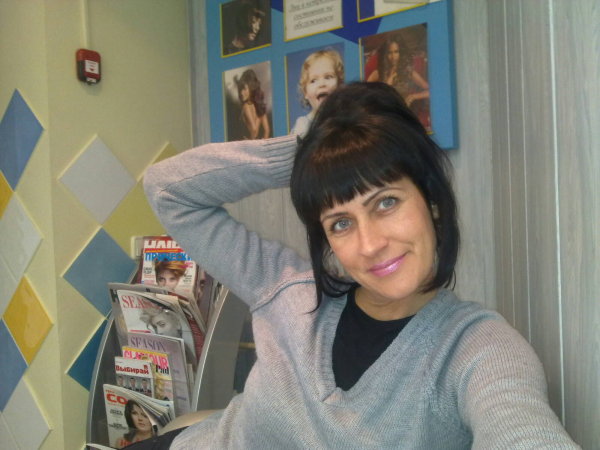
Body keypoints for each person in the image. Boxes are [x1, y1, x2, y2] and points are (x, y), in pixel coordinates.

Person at [142, 82, 579, 448]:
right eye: (341, 223)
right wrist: (309, 154)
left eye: (386, 202)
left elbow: (521, 428)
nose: (370, 245)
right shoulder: (285, 289)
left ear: (431, 202)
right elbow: (167, 190)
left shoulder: (474, 350)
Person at [367, 35, 431, 130]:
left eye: (396, 52)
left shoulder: (408, 72)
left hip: (404, 115)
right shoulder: (378, 73)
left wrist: (414, 96)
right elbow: (364, 94)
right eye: (389, 53)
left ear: (401, 53)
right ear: (385, 54)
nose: (393, 57)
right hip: (385, 116)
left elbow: (432, 91)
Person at [291, 48, 344, 137]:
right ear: (305, 93)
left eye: (328, 77)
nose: (322, 84)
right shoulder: (303, 125)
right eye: (313, 80)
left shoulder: (347, 119)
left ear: (340, 85)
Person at [234, 68, 271, 140]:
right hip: (257, 144)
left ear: (251, 88)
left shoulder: (246, 106)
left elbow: (254, 130)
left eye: (244, 89)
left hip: (246, 144)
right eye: (241, 89)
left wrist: (251, 142)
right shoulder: (260, 107)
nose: (241, 93)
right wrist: (263, 143)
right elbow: (267, 130)